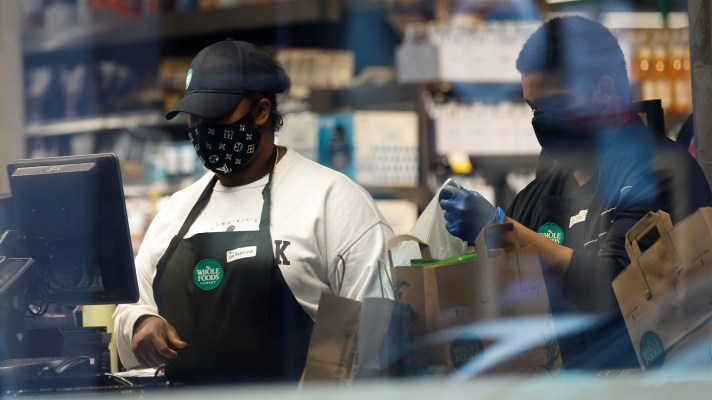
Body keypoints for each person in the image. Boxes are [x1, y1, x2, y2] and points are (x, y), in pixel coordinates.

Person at [112, 39, 394, 384]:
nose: (202, 129)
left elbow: (376, 328)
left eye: (216, 114)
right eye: (195, 117)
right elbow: (130, 306)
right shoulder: (177, 210)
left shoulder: (333, 201)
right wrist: (140, 323)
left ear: (261, 111)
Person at [439, 16, 712, 370]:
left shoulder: (660, 172)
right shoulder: (540, 192)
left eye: (554, 105)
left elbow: (617, 289)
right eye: (534, 109)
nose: (541, 122)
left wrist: (502, 230)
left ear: (604, 92)